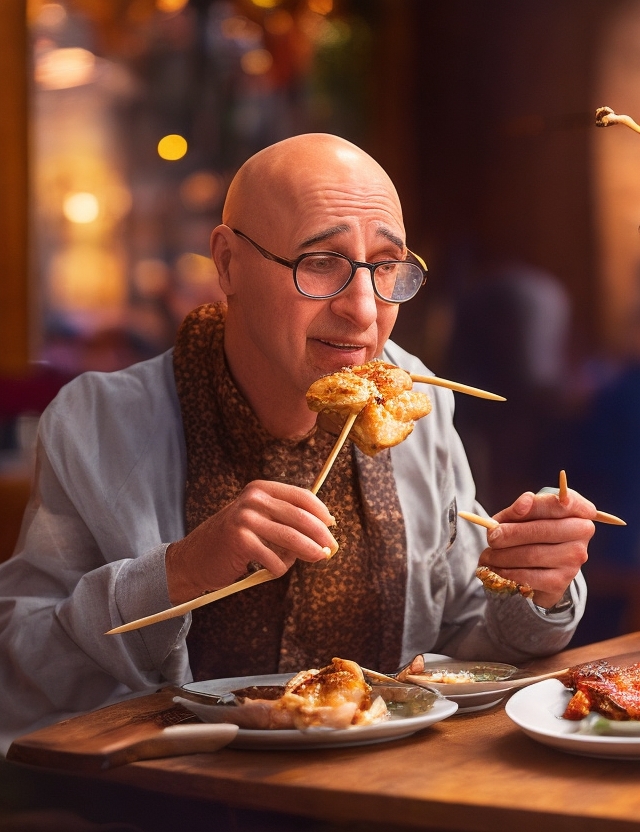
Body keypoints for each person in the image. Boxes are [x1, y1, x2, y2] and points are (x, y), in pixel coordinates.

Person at [0, 134, 596, 755]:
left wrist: (534, 587)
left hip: (381, 789)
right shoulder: (98, 421)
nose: (363, 311)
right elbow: (21, 674)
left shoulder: (417, 399)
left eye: (386, 266)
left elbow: (462, 643)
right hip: (171, 799)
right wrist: (179, 573)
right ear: (227, 264)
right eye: (320, 263)